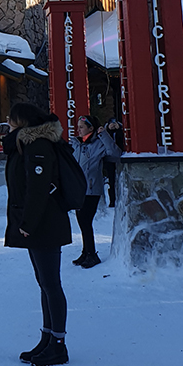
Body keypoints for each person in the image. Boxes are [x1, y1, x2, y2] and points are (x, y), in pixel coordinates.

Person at [3, 102, 72, 366]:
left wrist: (28, 223)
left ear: (22, 122)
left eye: (11, 118)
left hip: (46, 223)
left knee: (51, 284)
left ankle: (58, 344)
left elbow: (38, 188)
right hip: (39, 223)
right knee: (44, 283)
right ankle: (47, 337)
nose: (7, 122)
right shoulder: (26, 144)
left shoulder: (38, 146)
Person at [70, 115, 122, 269]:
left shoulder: (99, 144)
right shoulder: (77, 144)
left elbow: (115, 153)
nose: (78, 130)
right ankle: (86, 251)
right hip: (78, 188)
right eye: (78, 127)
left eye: (81, 127)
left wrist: (104, 134)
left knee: (86, 221)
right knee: (81, 221)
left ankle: (92, 254)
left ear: (91, 128)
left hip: (91, 188)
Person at [101, 118, 125, 208]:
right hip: (109, 159)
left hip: (120, 158)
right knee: (111, 181)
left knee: (120, 180)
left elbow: (121, 142)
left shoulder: (121, 131)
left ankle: (119, 199)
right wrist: (109, 131)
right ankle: (112, 201)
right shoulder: (106, 132)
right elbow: (108, 143)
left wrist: (119, 130)